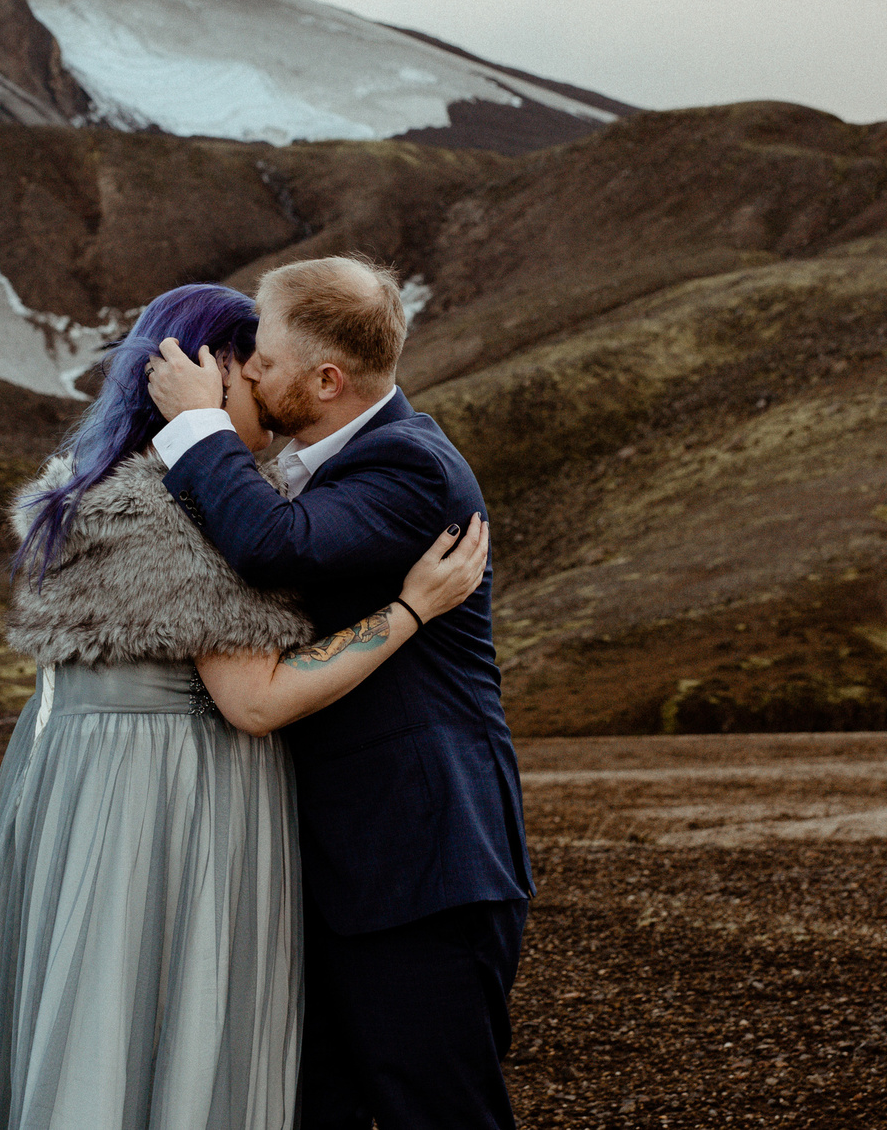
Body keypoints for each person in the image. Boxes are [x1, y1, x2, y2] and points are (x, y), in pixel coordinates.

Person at [0, 281, 491, 1130]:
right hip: (168, 812)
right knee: (153, 1028)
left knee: (84, 1025)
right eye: (252, 374)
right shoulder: (193, 507)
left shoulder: (88, 492)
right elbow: (256, 699)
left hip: (74, 799)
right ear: (203, 377)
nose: (269, 398)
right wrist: (410, 609)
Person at [147, 254, 531, 1130]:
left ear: (327, 380)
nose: (249, 371)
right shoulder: (337, 462)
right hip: (354, 870)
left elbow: (273, 546)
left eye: (265, 358)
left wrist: (197, 425)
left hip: (421, 865)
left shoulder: (410, 465)